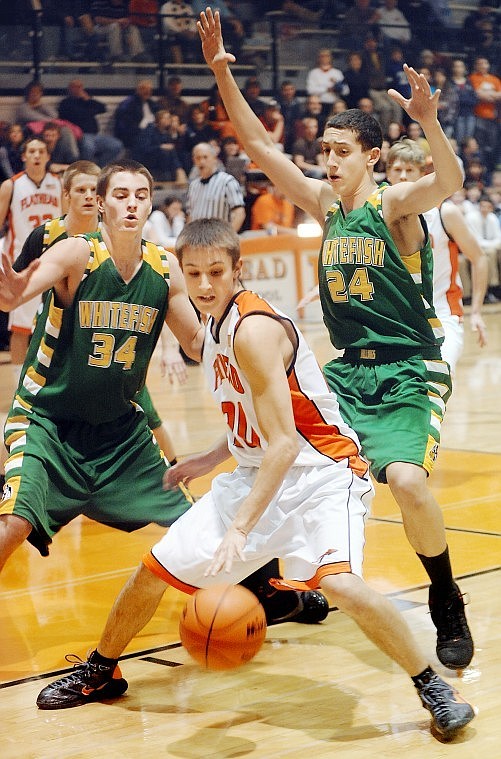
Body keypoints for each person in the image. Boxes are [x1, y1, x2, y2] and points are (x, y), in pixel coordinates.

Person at [35, 218, 475, 741]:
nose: (202, 284)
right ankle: (102, 670)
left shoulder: (254, 329)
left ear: (237, 269)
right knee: (154, 569)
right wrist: (208, 457)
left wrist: (241, 530)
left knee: (341, 585)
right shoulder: (215, 327)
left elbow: (286, 443)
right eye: (193, 273)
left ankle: (433, 688)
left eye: (215, 272)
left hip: (323, 475)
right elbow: (257, 424)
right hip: (257, 472)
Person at [196, 8, 474, 672]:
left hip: (408, 368)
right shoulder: (323, 205)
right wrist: (219, 72)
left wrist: (429, 121)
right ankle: (272, 583)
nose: (326, 159)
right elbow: (260, 147)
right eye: (323, 150)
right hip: (346, 373)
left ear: (371, 156)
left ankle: (444, 596)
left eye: (338, 150)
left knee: (405, 481)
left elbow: (451, 181)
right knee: (273, 451)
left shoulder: (394, 205)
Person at [0, 159, 329, 625]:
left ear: (150, 203)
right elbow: (26, 285)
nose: (130, 203)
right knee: (15, 519)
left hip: (119, 434)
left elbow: (199, 342)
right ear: (100, 204)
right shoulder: (78, 253)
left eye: (139, 195)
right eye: (119, 195)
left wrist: (253, 330)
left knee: (195, 520)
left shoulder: (165, 267)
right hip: (48, 421)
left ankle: (269, 593)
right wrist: (14, 291)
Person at [385, 139, 488, 373]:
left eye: (409, 170)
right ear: (387, 172)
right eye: (397, 170)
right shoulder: (377, 215)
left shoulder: (444, 213)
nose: (402, 177)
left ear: (422, 174)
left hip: (442, 314)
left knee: (436, 381)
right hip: (397, 321)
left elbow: (479, 258)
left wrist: (477, 312)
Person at [0, 137, 63, 382]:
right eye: (32, 151)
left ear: (48, 156)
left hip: (54, 262)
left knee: (57, 324)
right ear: (24, 156)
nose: (37, 155)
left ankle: (53, 381)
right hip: (22, 264)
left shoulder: (59, 184)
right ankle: (18, 382)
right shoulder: (11, 186)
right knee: (20, 328)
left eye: (41, 151)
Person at [58, 79, 124, 167]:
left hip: (95, 135)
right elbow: (73, 115)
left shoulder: (86, 101)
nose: (79, 89)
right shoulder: (66, 103)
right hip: (80, 136)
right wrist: (87, 106)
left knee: (116, 145)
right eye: (76, 87)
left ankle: (99, 167)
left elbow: (103, 108)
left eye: (80, 87)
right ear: (70, 89)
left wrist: (87, 99)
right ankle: (86, 170)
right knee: (88, 147)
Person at [186, 142, 245, 232]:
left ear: (214, 159)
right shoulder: (193, 186)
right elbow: (190, 215)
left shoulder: (227, 181)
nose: (202, 161)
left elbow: (239, 213)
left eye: (205, 157)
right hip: (198, 241)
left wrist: (228, 238)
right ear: (194, 160)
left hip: (218, 239)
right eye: (198, 158)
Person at [465, 194, 501, 303]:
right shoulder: (471, 217)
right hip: (472, 248)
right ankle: (493, 287)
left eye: (487, 206)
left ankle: (490, 290)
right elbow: (476, 240)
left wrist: (491, 245)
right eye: (482, 206)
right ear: (479, 206)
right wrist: (492, 245)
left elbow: (499, 238)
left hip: (488, 249)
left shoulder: (493, 218)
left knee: (490, 254)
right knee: (490, 253)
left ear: (491, 208)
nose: (485, 209)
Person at [114, 79, 159, 151]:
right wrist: (141, 130)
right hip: (135, 135)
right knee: (158, 148)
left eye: (150, 90)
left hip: (152, 134)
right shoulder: (129, 104)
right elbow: (124, 126)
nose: (147, 92)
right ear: (138, 90)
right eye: (144, 89)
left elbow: (159, 116)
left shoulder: (152, 104)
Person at [306, 48, 349, 121]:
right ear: (318, 58)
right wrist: (327, 89)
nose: (325, 58)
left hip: (334, 105)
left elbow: (346, 91)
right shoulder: (313, 73)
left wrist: (337, 86)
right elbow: (310, 90)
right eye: (322, 56)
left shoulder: (337, 73)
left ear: (331, 58)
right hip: (319, 105)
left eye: (327, 56)